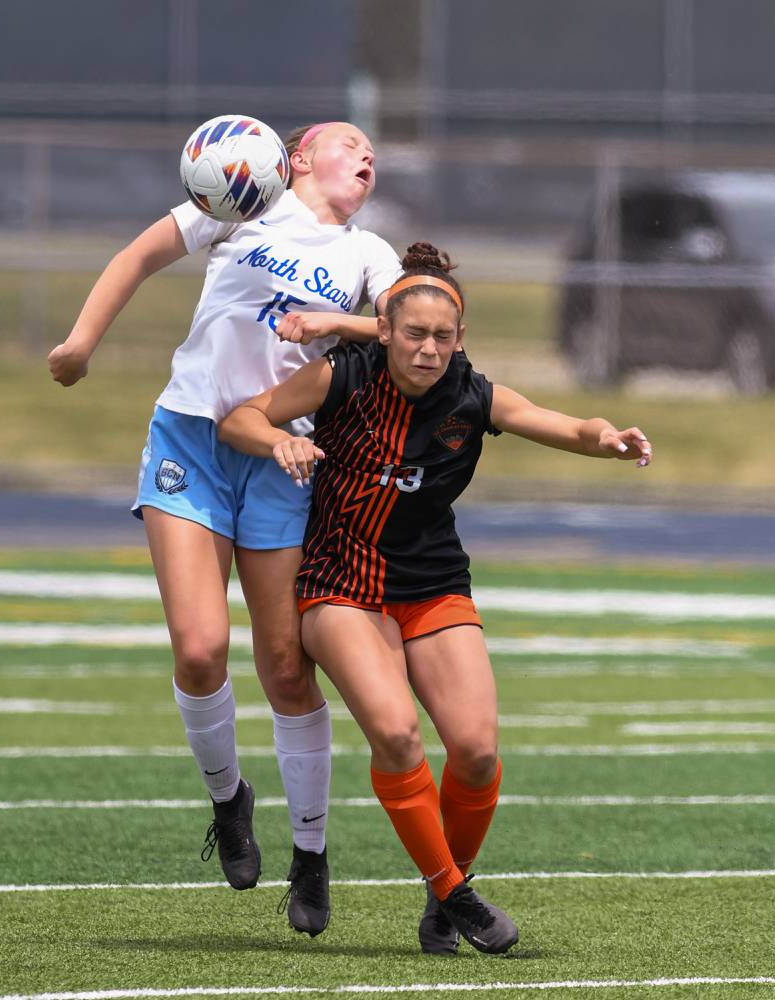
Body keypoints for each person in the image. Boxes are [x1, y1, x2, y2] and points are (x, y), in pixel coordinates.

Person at [216, 241, 653, 955]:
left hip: (432, 584)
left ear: (460, 340)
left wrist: (608, 439)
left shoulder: (471, 394)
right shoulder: (343, 375)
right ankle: (455, 895)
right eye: (413, 334)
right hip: (342, 585)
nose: (427, 349)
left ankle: (442, 898)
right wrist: (275, 442)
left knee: (477, 751)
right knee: (395, 734)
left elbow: (565, 425)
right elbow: (241, 417)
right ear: (383, 330)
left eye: (442, 337)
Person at [47, 121, 403, 938]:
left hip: (285, 454)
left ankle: (310, 854)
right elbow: (137, 256)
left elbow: (403, 324)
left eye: (373, 151)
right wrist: (80, 344)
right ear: (299, 157)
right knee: (201, 649)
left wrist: (333, 325)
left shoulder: (368, 254)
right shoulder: (243, 200)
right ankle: (228, 801)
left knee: (285, 668)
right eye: (351, 142)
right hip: (191, 438)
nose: (367, 154)